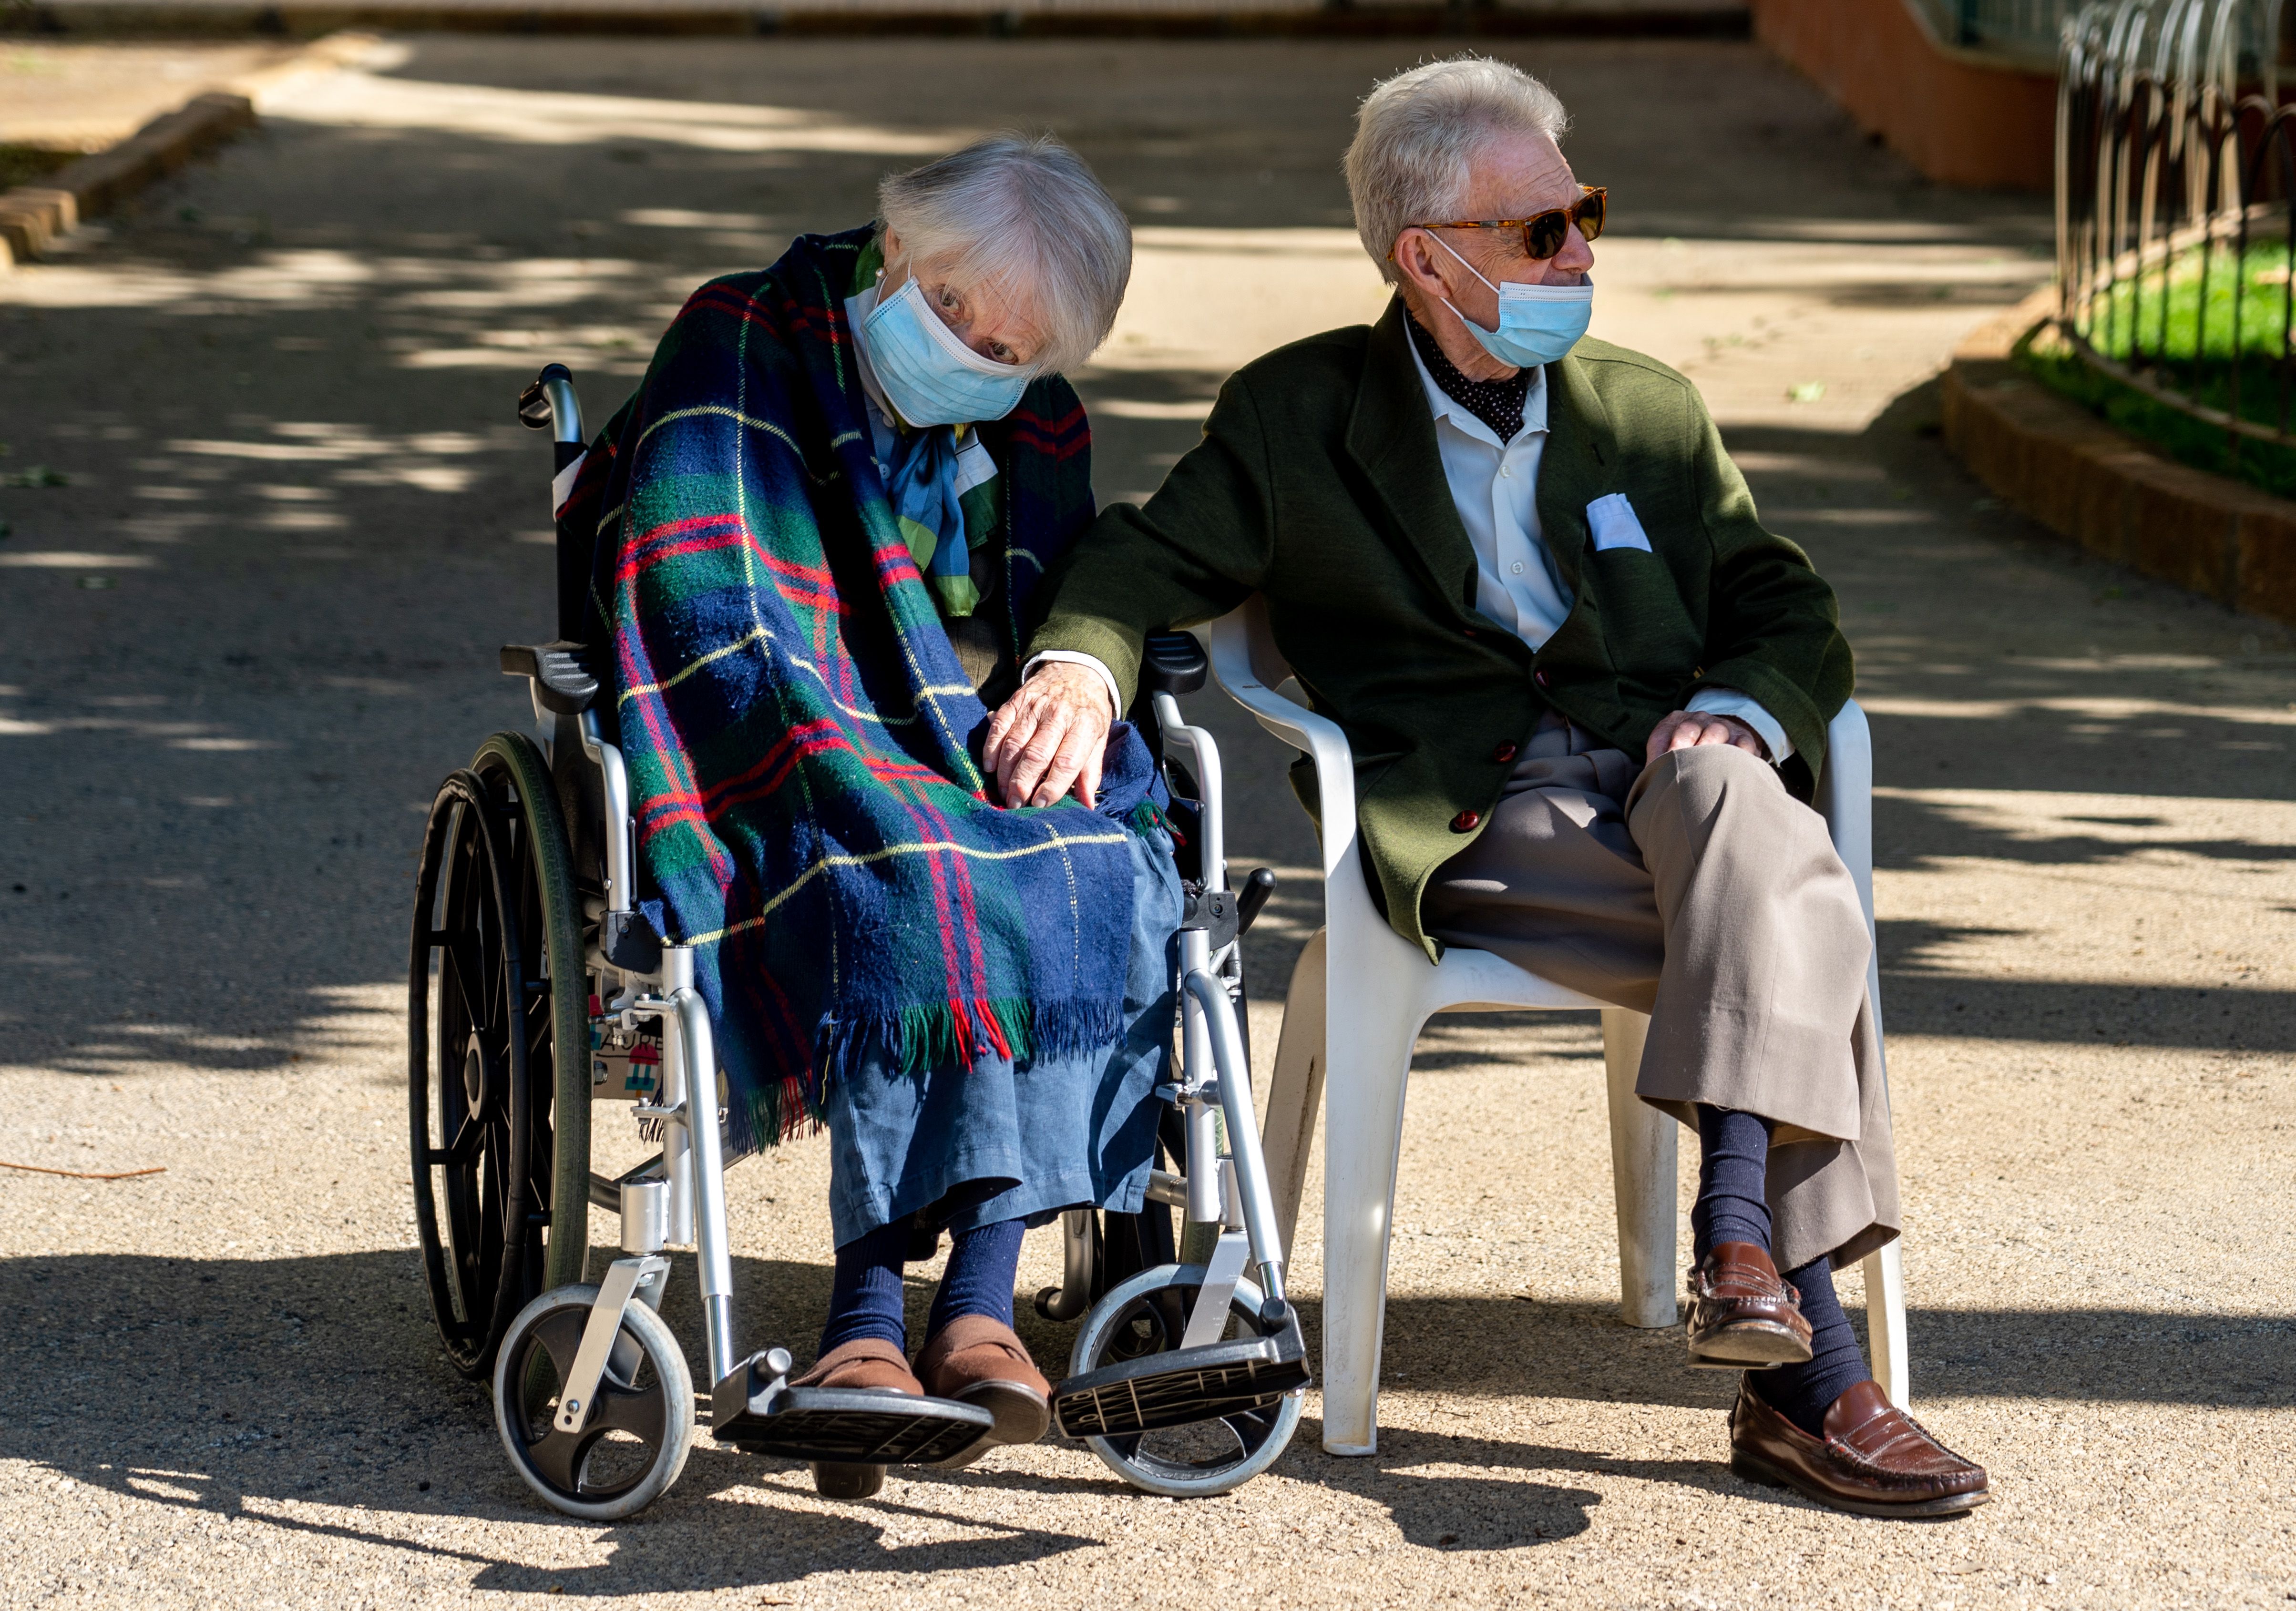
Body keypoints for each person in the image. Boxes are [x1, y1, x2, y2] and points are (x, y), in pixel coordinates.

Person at [985, 58, 1989, 1518]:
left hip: (1663, 781)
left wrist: (1734, 703)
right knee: (1798, 913)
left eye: (1583, 213)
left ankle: (1740, 1246)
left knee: (1746, 822)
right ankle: (1811, 1373)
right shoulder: (1297, 416)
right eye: (1543, 230)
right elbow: (1141, 558)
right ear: (1428, 258)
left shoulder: (1645, 411)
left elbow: (1788, 607)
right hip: (1470, 809)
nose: (1584, 251)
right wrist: (1080, 665)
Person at [571, 135, 1179, 1500]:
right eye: (956, 310)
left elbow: (1060, 601)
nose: (972, 351)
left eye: (1011, 347)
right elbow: (706, 598)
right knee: (910, 866)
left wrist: (1064, 693)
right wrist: (870, 734)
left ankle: (977, 1305)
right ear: (897, 246)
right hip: (786, 716)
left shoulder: (1038, 421)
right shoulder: (742, 339)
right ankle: (861, 1319)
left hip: (958, 734)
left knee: (1088, 848)